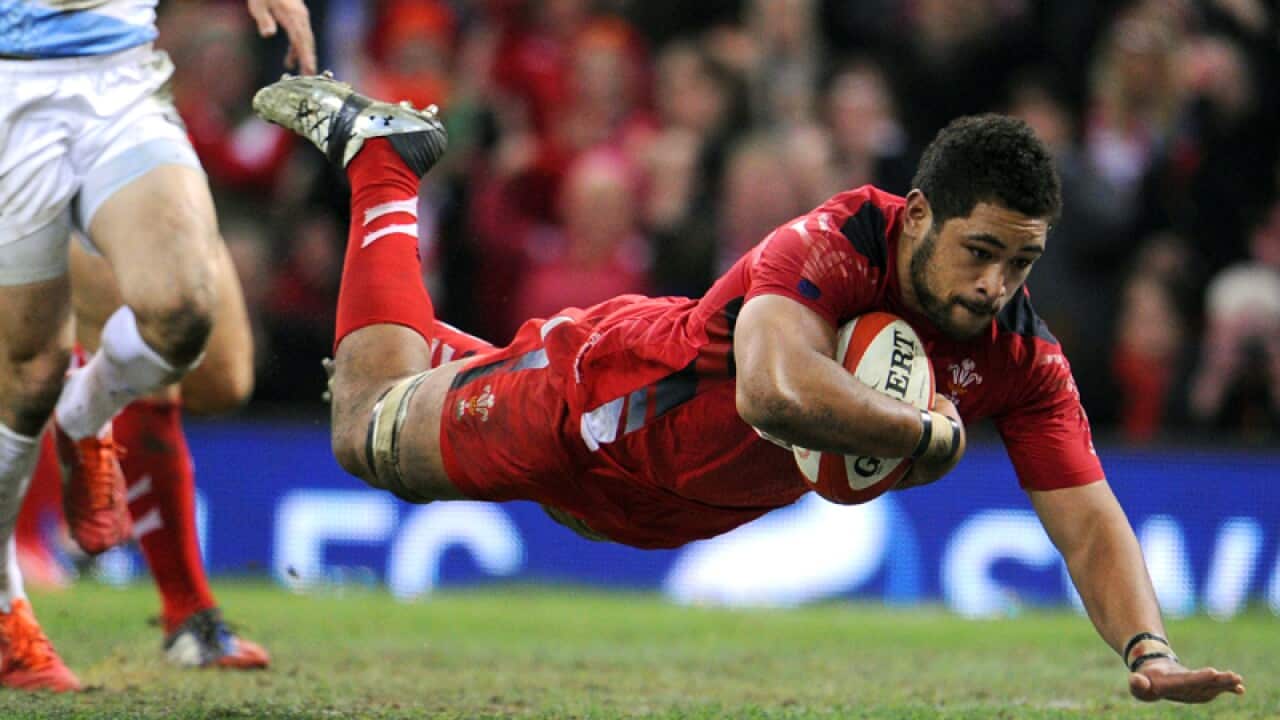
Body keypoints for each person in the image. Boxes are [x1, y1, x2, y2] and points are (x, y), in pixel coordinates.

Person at [253, 75, 1246, 705]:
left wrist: (1145, 651)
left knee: (451, 396)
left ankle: (437, 332)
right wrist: (919, 435)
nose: (995, 285)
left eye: (1020, 263)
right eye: (978, 251)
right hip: (594, 403)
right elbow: (773, 390)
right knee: (362, 425)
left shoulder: (1020, 357)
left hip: (654, 508)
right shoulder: (832, 242)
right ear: (915, 220)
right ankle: (386, 170)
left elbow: (1087, 521)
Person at [0, 0, 313, 691]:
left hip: (122, 79)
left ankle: (86, 418)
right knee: (34, 369)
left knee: (217, 365)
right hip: (14, 94)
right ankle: (182, 613)